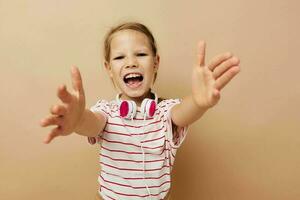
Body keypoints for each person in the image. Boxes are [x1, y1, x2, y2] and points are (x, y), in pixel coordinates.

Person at [40, 22, 240, 200]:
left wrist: (198, 102)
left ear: (155, 63)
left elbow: (183, 112)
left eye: (141, 54)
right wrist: (78, 120)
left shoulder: (164, 111)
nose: (131, 62)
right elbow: (91, 123)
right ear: (109, 68)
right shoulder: (106, 112)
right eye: (119, 57)